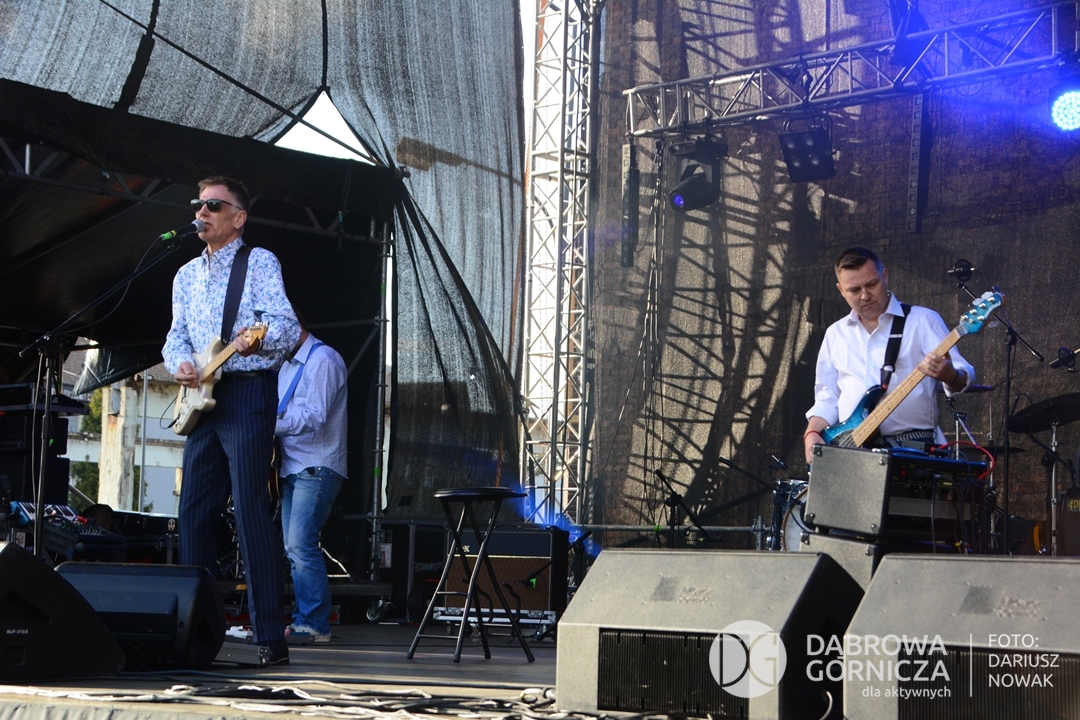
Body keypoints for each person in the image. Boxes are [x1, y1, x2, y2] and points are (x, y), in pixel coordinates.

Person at [162, 176, 299, 665]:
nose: (202, 212)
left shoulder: (258, 262)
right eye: (198, 204)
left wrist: (255, 340)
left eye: (214, 206)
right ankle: (196, 632)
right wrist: (179, 363)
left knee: (249, 510)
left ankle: (269, 637)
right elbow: (175, 336)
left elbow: (286, 326)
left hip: (245, 393)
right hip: (201, 399)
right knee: (193, 516)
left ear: (238, 218)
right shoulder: (184, 275)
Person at [803, 247, 974, 465]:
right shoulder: (835, 333)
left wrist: (949, 375)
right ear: (841, 290)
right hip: (852, 452)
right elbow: (827, 397)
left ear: (885, 276)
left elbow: (964, 375)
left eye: (871, 284)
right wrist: (811, 433)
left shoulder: (922, 320)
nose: (865, 296)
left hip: (911, 449)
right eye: (854, 290)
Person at [275, 318, 348, 644]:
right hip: (291, 467)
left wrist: (268, 424)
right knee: (294, 547)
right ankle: (305, 620)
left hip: (317, 466)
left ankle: (315, 623)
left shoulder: (324, 360)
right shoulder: (286, 366)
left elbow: (316, 416)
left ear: (294, 326)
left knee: (301, 544)